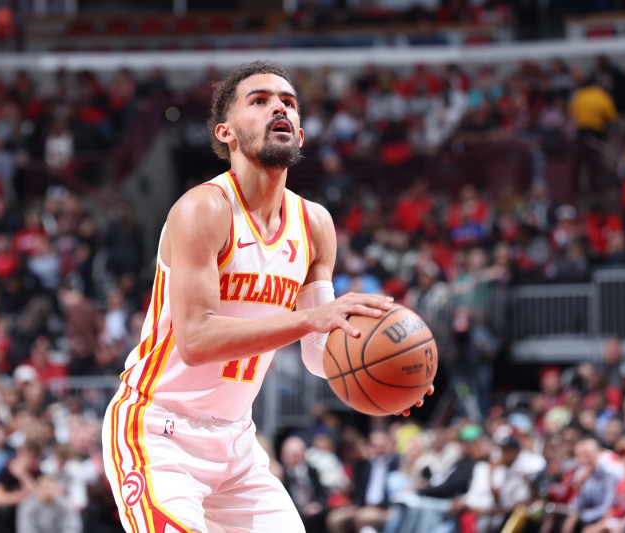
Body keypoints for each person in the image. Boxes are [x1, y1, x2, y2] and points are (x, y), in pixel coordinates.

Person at [101, 61, 433, 533]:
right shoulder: (203, 209)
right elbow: (195, 340)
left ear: (300, 130)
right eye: (259, 101)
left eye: (289, 103)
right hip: (158, 430)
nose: (279, 106)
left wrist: (385, 375)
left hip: (237, 442)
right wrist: (312, 320)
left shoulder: (315, 224)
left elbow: (320, 356)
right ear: (226, 132)